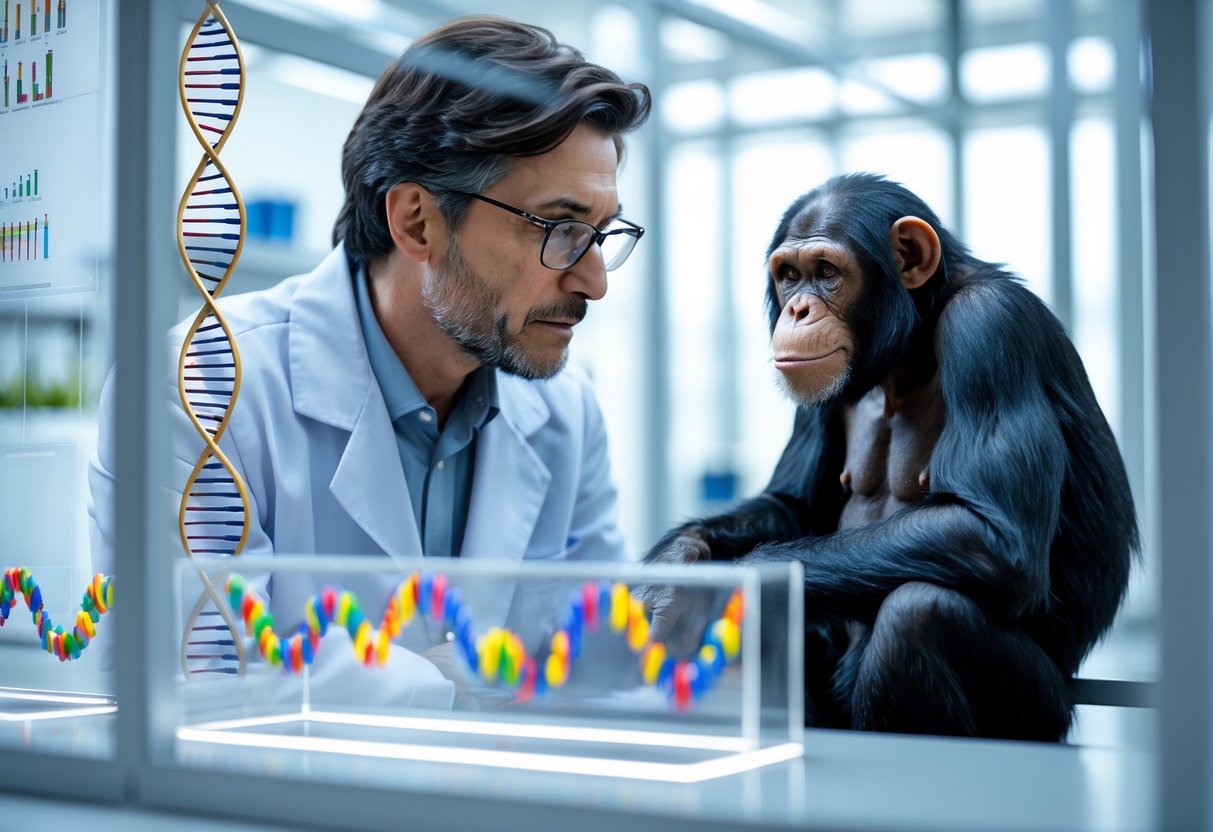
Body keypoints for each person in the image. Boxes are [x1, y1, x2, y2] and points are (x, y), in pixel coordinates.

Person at [87, 15, 652, 697]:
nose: (594, 281)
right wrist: (446, 686)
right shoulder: (199, 386)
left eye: (601, 233)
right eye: (560, 229)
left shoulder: (565, 411)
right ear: (417, 222)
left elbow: (602, 662)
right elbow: (193, 678)